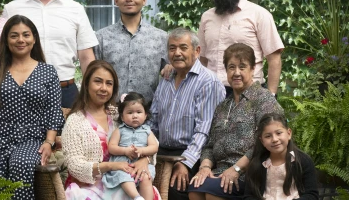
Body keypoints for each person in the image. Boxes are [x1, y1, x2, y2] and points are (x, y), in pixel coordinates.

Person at [0, 15, 65, 199]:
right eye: (14, 35)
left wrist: (48, 142)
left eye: (26, 35)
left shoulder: (47, 71)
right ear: (6, 39)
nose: (21, 40)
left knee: (21, 164)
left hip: (32, 138)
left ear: (34, 39)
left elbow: (53, 111)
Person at [2, 0, 98, 108]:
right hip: (22, 91)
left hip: (65, 92)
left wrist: (90, 95)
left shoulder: (75, 9)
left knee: (66, 134)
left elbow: (86, 57)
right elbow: (2, 53)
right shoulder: (12, 9)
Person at [188, 43, 284, 200]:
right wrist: (205, 167)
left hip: (251, 172)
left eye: (242, 67)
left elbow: (265, 144)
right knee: (195, 189)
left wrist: (237, 168)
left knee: (213, 193)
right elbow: (210, 145)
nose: (236, 73)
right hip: (221, 172)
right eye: (231, 67)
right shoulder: (223, 106)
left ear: (253, 69)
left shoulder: (264, 100)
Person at [62, 60, 161, 200]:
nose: (104, 88)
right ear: (86, 84)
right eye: (98, 81)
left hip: (127, 182)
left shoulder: (119, 114)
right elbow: (74, 165)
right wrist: (111, 166)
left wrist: (145, 159)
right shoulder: (75, 121)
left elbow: (149, 140)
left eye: (109, 83)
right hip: (89, 186)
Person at [148, 27, 226, 200]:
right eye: (172, 48)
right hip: (161, 150)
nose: (177, 53)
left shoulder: (207, 81)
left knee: (176, 188)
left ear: (197, 51)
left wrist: (185, 163)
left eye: (183, 47)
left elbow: (204, 131)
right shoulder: (166, 78)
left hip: (193, 153)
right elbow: (153, 121)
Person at [198, 0, 284, 97]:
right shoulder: (206, 17)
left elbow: (274, 58)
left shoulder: (259, 14)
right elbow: (202, 59)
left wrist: (271, 96)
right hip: (210, 93)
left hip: (249, 93)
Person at [94, 0, 170, 103]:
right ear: (116, 0)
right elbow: (94, 77)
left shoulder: (161, 38)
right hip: (110, 112)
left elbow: (172, 72)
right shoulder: (101, 37)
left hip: (149, 114)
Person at [244, 113, 319, 200]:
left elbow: (312, 195)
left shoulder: (303, 161)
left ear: (289, 133)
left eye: (279, 133)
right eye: (268, 136)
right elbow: (249, 196)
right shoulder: (257, 164)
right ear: (262, 140)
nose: (275, 139)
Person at [102, 92, 158, 200]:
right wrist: (125, 151)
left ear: (145, 115)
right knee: (123, 176)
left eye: (139, 112)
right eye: (130, 112)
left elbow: (154, 147)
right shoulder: (120, 130)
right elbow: (111, 147)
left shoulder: (147, 131)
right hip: (122, 164)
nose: (135, 115)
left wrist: (142, 150)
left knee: (146, 177)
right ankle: (136, 197)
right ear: (122, 117)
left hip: (142, 163)